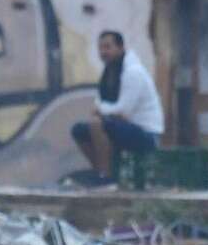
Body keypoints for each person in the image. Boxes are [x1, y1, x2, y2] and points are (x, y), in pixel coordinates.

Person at [70, 31, 163, 185]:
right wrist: (103, 111)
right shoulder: (109, 72)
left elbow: (123, 111)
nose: (103, 52)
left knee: (96, 123)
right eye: (100, 48)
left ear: (120, 48)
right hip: (123, 127)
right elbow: (102, 106)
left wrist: (102, 111)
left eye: (107, 47)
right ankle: (99, 171)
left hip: (146, 134)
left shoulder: (133, 73)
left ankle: (106, 177)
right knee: (78, 130)